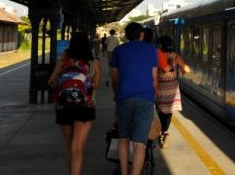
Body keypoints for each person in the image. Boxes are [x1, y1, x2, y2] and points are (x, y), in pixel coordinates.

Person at [48, 32, 101, 175]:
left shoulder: (63, 60)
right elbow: (96, 85)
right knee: (77, 147)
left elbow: (52, 82)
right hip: (85, 106)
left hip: (63, 106)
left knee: (69, 145)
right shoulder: (93, 62)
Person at [111, 22, 158, 175]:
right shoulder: (151, 50)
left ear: (126, 35)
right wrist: (153, 97)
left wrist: (117, 94)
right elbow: (154, 79)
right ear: (141, 34)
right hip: (145, 99)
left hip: (124, 98)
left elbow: (114, 78)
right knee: (140, 144)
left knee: (123, 139)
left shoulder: (119, 50)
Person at [155, 35, 191, 148]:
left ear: (160, 45)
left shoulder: (157, 55)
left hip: (160, 88)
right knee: (169, 112)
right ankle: (164, 132)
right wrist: (182, 72)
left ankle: (160, 132)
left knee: (160, 111)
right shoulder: (175, 56)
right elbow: (186, 69)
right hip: (172, 89)